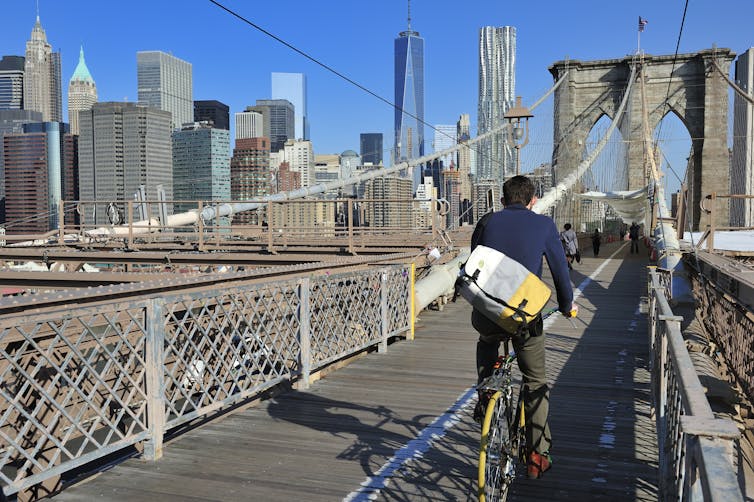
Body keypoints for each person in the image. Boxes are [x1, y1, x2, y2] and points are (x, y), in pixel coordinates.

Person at [470, 175, 575, 480]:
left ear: (502, 201)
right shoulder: (544, 225)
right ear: (533, 201)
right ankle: (537, 456)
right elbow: (560, 274)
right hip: (523, 317)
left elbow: (475, 261)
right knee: (535, 380)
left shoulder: (487, 221)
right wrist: (567, 305)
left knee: (486, 340)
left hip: (487, 311)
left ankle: (486, 394)